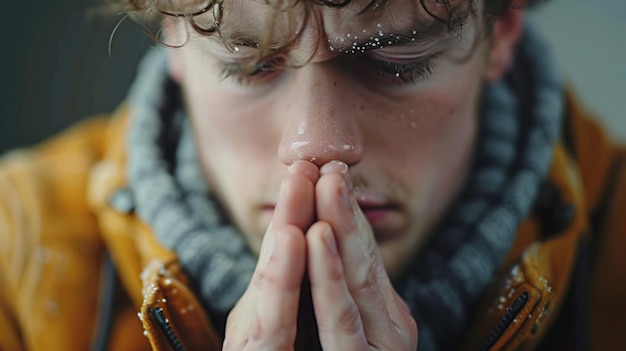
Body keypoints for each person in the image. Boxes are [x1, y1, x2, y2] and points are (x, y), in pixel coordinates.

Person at [1, 0, 624, 350]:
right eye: (249, 65)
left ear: (502, 29)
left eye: (396, 62)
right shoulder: (14, 260)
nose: (317, 146)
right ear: (172, 34)